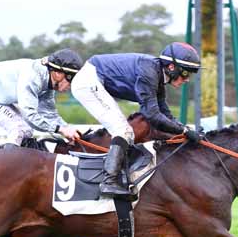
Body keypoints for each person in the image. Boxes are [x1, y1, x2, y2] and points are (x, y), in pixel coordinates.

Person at [71, 42, 202, 198]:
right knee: (123, 131)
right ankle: (109, 182)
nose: (187, 79)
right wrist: (183, 131)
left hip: (94, 79)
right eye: (185, 73)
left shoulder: (158, 76)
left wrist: (186, 129)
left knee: (127, 132)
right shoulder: (149, 73)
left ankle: (115, 176)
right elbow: (152, 115)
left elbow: (164, 113)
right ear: (171, 67)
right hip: (89, 82)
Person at [0, 49, 83, 148]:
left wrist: (67, 128)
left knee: (27, 131)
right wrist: (60, 129)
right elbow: (30, 116)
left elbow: (50, 115)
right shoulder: (33, 77)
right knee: (19, 128)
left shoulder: (48, 83)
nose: (71, 86)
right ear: (58, 73)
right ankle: (6, 167)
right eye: (71, 80)